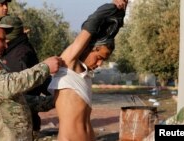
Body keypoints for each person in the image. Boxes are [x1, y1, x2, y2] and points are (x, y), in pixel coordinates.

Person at [0, 17, 61, 141]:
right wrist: (45, 68)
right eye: (2, 39)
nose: (6, 44)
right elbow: (8, 86)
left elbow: (14, 100)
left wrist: (53, 100)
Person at [48, 2, 126, 141]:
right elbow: (92, 23)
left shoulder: (84, 75)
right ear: (88, 48)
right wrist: (112, 6)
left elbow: (109, 32)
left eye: (103, 60)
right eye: (99, 58)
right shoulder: (67, 64)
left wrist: (121, 13)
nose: (99, 63)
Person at [0, 15, 55, 138]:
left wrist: (53, 101)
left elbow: (19, 94)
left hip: (20, 125)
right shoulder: (19, 49)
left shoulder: (18, 55)